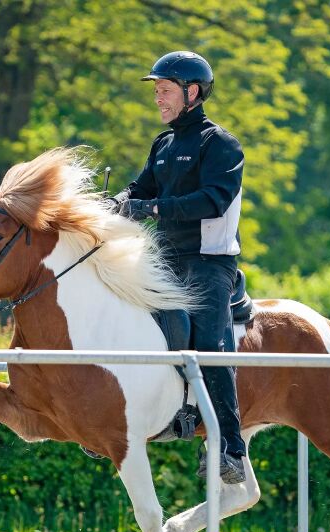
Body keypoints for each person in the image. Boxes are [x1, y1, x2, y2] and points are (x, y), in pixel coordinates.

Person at [110, 51, 247, 484]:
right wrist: (117, 201)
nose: (158, 99)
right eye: (156, 91)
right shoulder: (163, 144)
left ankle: (230, 446)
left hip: (209, 264)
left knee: (207, 343)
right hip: (165, 261)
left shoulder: (219, 143)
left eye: (165, 90)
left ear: (192, 93)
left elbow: (212, 202)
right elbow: (141, 185)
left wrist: (148, 207)